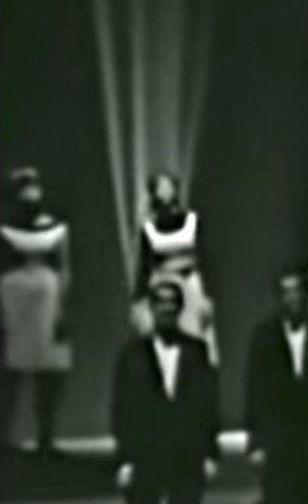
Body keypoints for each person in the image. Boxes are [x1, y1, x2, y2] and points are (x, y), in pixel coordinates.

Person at [112, 277, 219, 504]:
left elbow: (208, 406)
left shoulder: (197, 351)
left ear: (180, 308)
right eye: (161, 302)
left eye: (172, 302)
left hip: (187, 456)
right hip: (145, 456)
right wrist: (125, 459)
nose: (167, 308)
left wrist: (209, 453)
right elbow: (122, 409)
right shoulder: (132, 356)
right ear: (152, 308)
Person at [0, 167, 72, 454]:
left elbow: (65, 268)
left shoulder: (56, 226)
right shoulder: (4, 226)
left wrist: (63, 307)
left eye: (34, 186)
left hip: (48, 300)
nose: (31, 192)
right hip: (12, 299)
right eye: (25, 186)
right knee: (10, 370)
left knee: (50, 370)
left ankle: (46, 436)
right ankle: (4, 437)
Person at [246, 268, 308, 504]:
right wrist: (256, 442)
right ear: (279, 297)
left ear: (306, 294)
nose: (292, 299)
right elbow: (255, 391)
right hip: (278, 443)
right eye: (286, 292)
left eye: (297, 291)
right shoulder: (264, 338)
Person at [131, 173, 217, 362]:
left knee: (194, 336)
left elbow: (205, 259)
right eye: (160, 188)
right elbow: (144, 268)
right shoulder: (149, 229)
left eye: (168, 186)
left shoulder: (192, 222)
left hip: (191, 286)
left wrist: (208, 295)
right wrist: (137, 301)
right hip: (162, 288)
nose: (165, 192)